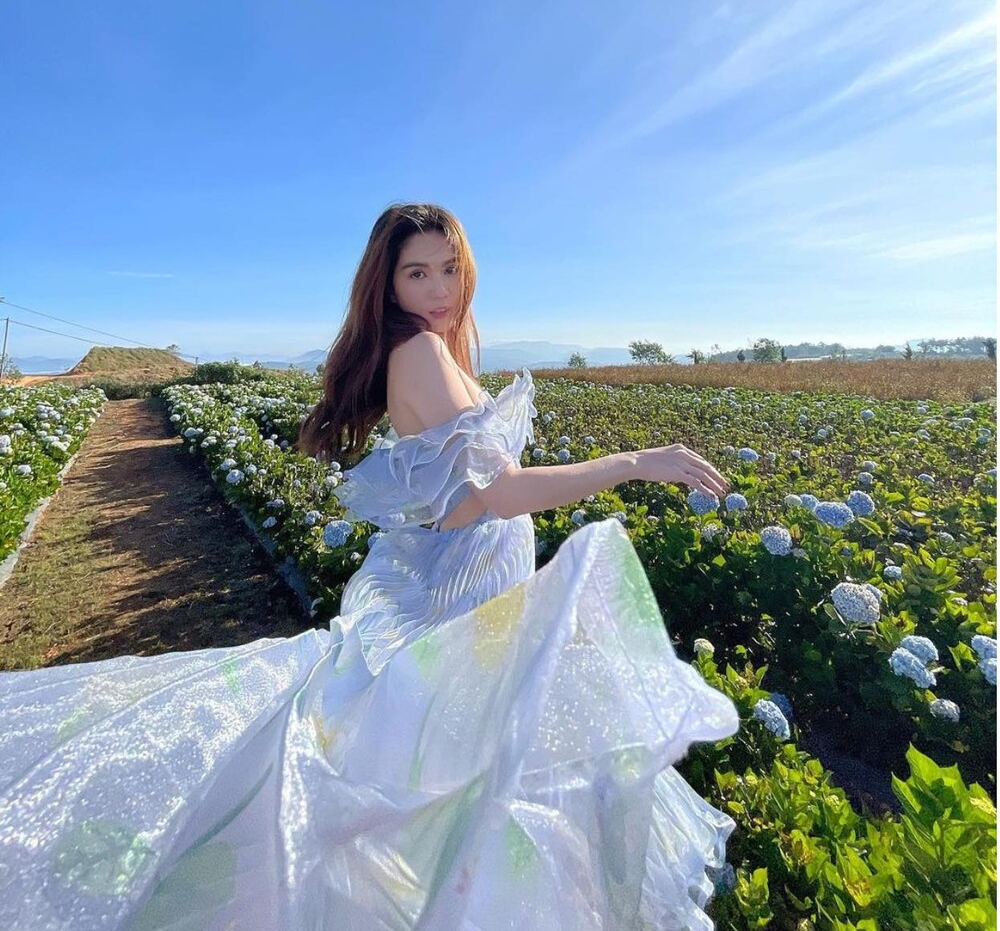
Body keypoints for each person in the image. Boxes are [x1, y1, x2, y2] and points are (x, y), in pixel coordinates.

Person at [0, 202, 741, 930]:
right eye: (417, 273)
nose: (440, 288)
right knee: (465, 793)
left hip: (472, 585)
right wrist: (636, 462)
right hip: (462, 598)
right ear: (387, 284)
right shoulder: (419, 354)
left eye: (449, 268)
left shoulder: (434, 349)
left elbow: (466, 493)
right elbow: (501, 493)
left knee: (466, 792)